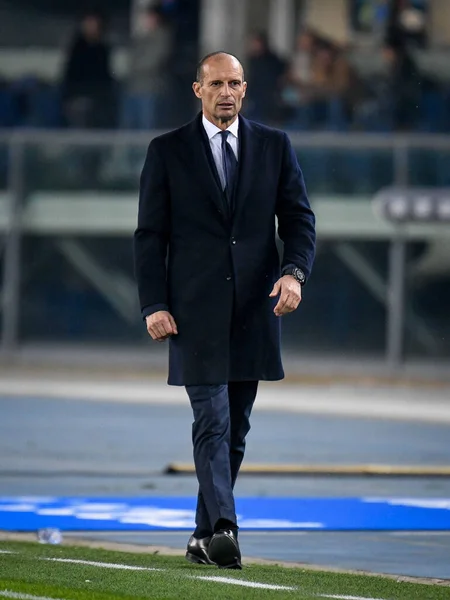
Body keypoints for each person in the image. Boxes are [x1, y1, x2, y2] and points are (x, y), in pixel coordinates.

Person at [134, 51, 316, 569]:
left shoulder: (275, 147)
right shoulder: (167, 151)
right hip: (193, 314)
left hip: (255, 312)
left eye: (235, 83)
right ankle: (225, 528)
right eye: (216, 83)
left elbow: (301, 221)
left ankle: (199, 536)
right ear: (198, 90)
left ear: (245, 88)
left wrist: (294, 273)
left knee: (235, 429)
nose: (227, 92)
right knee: (211, 420)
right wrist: (154, 304)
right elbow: (150, 236)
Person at [61, 11, 114, 128]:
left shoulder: (102, 48)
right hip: (78, 95)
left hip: (97, 98)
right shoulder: (77, 47)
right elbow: (72, 72)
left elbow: (104, 73)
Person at [122, 5, 172, 129]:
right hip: (132, 88)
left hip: (149, 89)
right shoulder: (140, 38)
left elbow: (152, 61)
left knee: (146, 127)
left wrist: (132, 66)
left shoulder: (161, 37)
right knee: (129, 127)